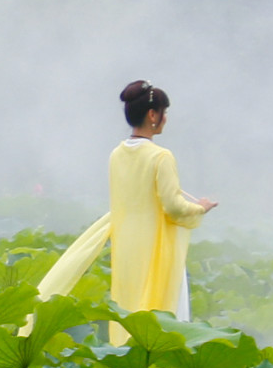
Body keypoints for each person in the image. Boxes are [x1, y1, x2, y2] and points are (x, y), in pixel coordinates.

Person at [32, 80, 217, 342]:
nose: (166, 119)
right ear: (153, 115)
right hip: (156, 246)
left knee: (130, 306)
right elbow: (174, 207)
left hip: (127, 249)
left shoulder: (116, 155)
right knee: (163, 313)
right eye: (164, 113)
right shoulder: (161, 157)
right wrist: (201, 208)